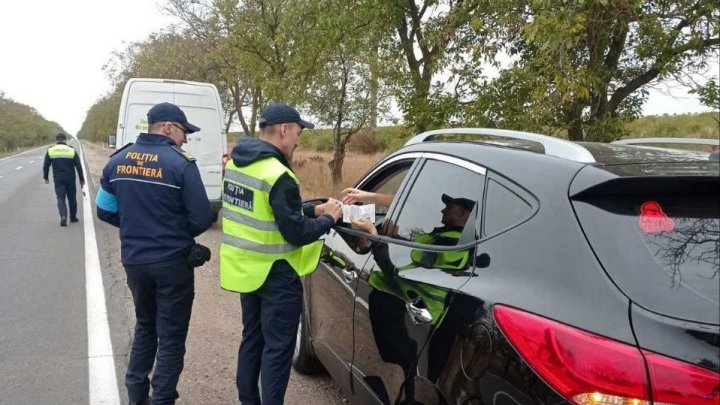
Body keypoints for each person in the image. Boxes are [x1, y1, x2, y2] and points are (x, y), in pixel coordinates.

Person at [219, 102, 343, 405]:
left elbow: (273, 211)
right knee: (277, 349)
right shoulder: (279, 174)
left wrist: (314, 208)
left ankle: (248, 400)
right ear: (285, 130)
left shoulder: (237, 163)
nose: (299, 140)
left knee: (252, 339)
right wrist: (330, 219)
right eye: (298, 132)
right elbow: (297, 233)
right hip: (277, 275)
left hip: (246, 271)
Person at [95, 102, 213, 405]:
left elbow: (104, 210)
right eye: (184, 132)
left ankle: (136, 395)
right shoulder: (181, 163)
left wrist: (137, 226)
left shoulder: (116, 161)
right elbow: (201, 218)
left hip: (134, 261)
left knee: (145, 326)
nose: (186, 139)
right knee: (171, 337)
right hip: (172, 263)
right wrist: (171, 232)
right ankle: (162, 399)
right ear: (168, 127)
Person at [43, 132, 85, 226]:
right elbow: (78, 166)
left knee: (60, 198)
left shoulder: (51, 150)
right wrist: (81, 179)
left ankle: (63, 216)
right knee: (72, 198)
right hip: (70, 178)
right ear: (65, 140)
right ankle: (73, 218)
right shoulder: (71, 150)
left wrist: (45, 177)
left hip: (58, 179)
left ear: (56, 140)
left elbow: (46, 165)